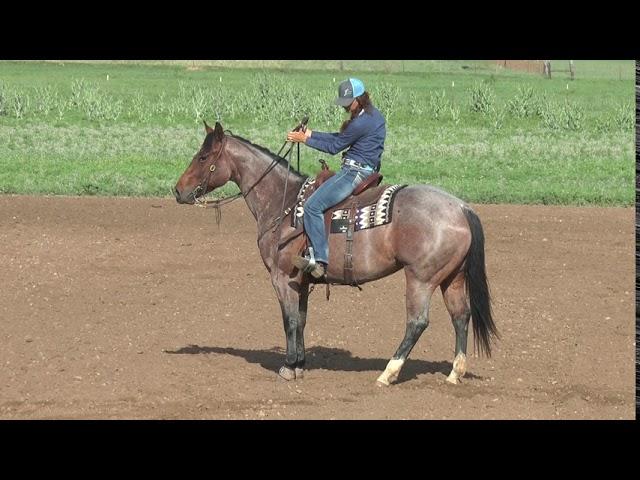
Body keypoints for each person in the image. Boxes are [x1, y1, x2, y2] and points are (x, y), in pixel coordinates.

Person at [286, 78, 386, 279]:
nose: (345, 106)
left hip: (354, 173)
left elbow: (334, 147)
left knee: (312, 207)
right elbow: (341, 138)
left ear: (358, 98)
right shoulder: (371, 116)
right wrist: (311, 133)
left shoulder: (361, 122)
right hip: (364, 170)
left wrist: (304, 140)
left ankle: (320, 261)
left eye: (348, 102)